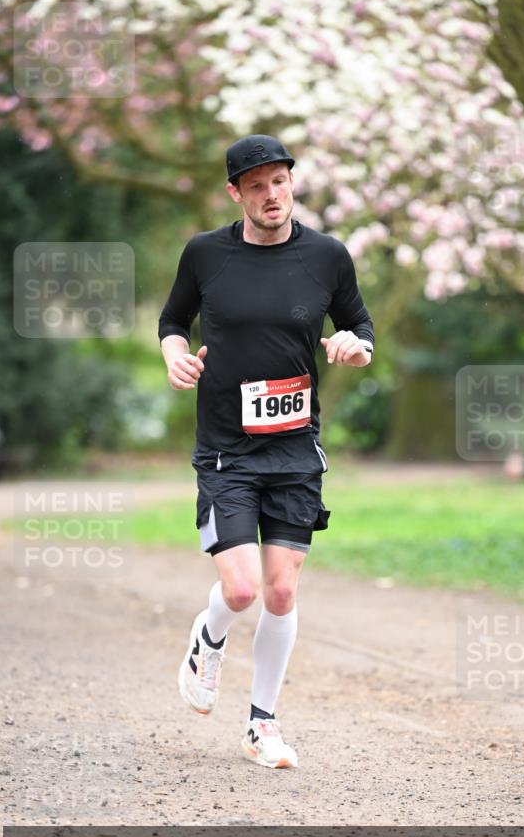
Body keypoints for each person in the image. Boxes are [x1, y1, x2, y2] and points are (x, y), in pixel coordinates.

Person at [158, 134, 375, 769]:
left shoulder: (328, 257)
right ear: (237, 194)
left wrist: (355, 347)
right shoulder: (206, 255)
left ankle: (263, 725)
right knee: (245, 588)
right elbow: (173, 321)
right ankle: (209, 638)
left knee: (282, 593)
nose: (271, 194)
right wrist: (175, 356)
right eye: (256, 186)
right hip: (226, 449)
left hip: (295, 450)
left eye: (279, 181)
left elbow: (358, 326)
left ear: (291, 183)